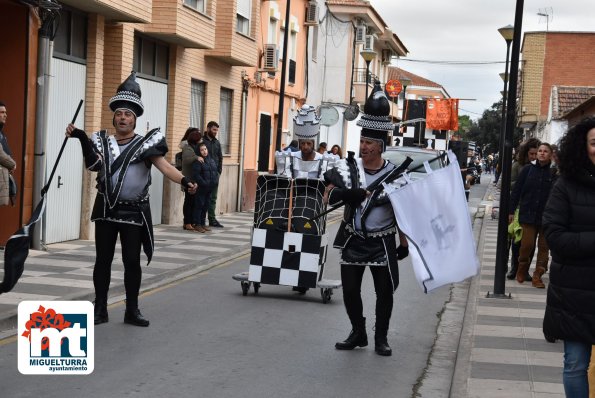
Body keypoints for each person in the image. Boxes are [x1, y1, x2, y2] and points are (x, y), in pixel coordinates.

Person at [65, 72, 197, 327]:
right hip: (106, 208)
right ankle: (100, 308)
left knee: (131, 262)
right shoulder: (101, 141)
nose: (122, 117)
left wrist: (184, 181)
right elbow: (94, 165)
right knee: (102, 260)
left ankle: (132, 310)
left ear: (135, 118)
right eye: (119, 114)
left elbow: (165, 167)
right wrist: (82, 138)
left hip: (134, 211)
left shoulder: (147, 144)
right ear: (114, 117)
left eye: (128, 114)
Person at [324, 82, 409, 357]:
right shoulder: (347, 168)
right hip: (352, 238)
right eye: (361, 141)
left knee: (384, 292)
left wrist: (403, 242)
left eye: (369, 143)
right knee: (350, 291)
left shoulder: (395, 174)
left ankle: (380, 338)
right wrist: (351, 193)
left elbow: (403, 212)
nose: (363, 147)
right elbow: (330, 195)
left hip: (382, 242)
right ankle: (357, 332)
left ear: (380, 145)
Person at [542, 116, 595, 397]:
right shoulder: (565, 186)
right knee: (575, 364)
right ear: (582, 147)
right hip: (575, 292)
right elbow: (555, 236)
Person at [509, 142, 555, 288]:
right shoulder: (528, 170)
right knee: (527, 245)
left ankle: (537, 275)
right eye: (540, 151)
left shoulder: (554, 173)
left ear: (550, 155)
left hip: (547, 217)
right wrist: (511, 211)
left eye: (545, 151)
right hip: (528, 214)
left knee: (543, 248)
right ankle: (522, 267)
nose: (541, 153)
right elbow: (516, 191)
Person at [507, 138, 540, 280]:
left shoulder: (542, 167)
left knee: (530, 242)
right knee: (517, 239)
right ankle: (514, 267)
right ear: (526, 153)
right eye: (531, 154)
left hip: (535, 208)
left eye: (536, 153)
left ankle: (524, 270)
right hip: (519, 207)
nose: (533, 157)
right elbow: (510, 184)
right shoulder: (517, 166)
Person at [192, 143, 218, 233]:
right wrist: (204, 183)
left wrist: (215, 182)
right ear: (199, 152)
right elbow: (196, 175)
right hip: (202, 188)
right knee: (199, 206)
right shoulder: (198, 161)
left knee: (206, 206)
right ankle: (197, 224)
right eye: (202, 150)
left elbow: (215, 172)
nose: (204, 151)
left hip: (210, 188)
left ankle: (203, 224)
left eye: (205, 149)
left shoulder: (211, 160)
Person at [202, 121, 224, 228]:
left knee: (213, 198)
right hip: (204, 174)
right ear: (208, 128)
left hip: (215, 174)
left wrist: (219, 171)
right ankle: (200, 220)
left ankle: (212, 219)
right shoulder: (201, 141)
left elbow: (220, 158)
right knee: (202, 197)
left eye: (216, 130)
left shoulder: (217, 143)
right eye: (214, 129)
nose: (215, 132)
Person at [180, 127, 202, 231]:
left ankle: (192, 221)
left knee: (193, 201)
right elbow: (187, 160)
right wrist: (196, 157)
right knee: (188, 201)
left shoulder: (195, 147)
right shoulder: (187, 148)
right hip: (188, 179)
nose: (201, 140)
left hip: (195, 178)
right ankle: (187, 222)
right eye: (199, 138)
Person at [0, 101, 16, 206]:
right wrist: (12, 164)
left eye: (5, 112)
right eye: (1, 112)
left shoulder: (1, 134)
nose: (5, 115)